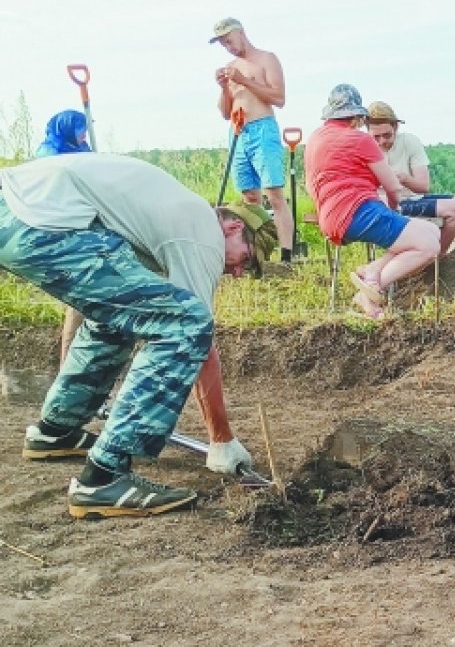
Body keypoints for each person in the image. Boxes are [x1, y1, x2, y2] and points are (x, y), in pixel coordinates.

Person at [1, 153, 277, 518]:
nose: (240, 272)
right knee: (187, 323)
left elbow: (114, 303)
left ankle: (56, 431)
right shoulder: (203, 234)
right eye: (248, 259)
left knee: (124, 316)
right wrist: (221, 439)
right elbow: (199, 340)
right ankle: (103, 479)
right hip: (42, 222)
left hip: (19, 211)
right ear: (233, 229)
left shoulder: (173, 214)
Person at [304, 84, 441, 319]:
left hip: (330, 217)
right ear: (357, 117)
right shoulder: (360, 140)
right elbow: (392, 187)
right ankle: (369, 292)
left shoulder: (315, 138)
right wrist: (395, 210)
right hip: (360, 211)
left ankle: (373, 270)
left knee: (430, 230)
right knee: (428, 245)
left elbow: (310, 185)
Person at [211, 17, 295, 263]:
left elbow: (279, 98)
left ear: (240, 33)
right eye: (223, 44)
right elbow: (225, 112)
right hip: (238, 132)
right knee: (249, 195)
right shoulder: (231, 66)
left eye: (229, 40)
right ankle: (258, 250)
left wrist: (245, 81)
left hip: (262, 128)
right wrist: (224, 87)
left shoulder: (267, 59)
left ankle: (286, 255)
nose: (228, 46)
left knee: (274, 194)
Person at [365, 101, 455, 255]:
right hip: (388, 203)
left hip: (413, 198)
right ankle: (435, 260)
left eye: (387, 135)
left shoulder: (409, 141)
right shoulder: (364, 148)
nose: (382, 141)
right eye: (376, 137)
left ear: (395, 127)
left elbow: (423, 186)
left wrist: (403, 178)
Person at [33, 109, 94, 360]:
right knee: (76, 305)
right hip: (61, 233)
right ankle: (67, 364)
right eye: (81, 129)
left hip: (87, 226)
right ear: (68, 128)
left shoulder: (82, 148)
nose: (84, 134)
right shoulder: (49, 154)